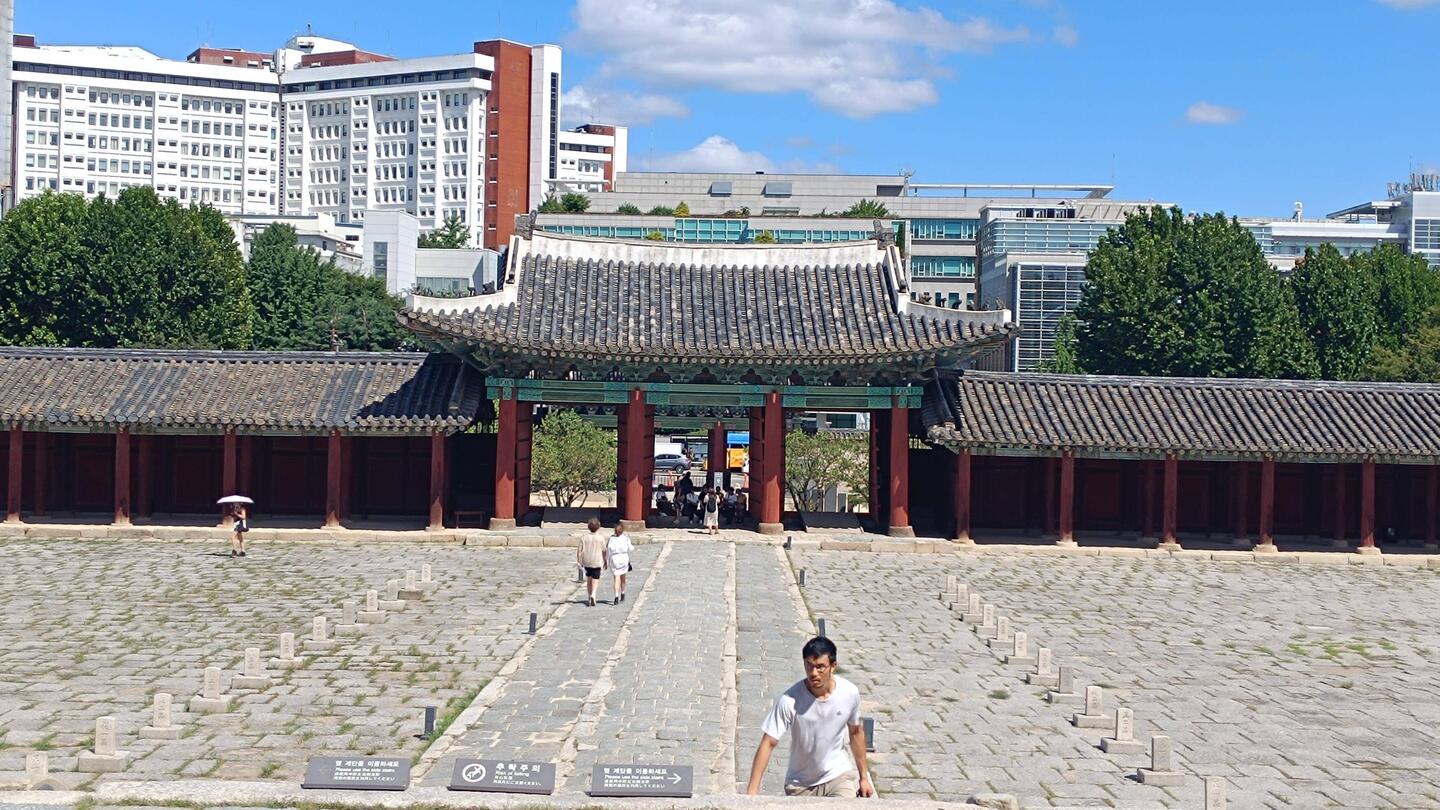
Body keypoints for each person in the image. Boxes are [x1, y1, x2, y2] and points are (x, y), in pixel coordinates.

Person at [745, 636, 873, 798]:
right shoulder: (790, 700)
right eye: (809, 665)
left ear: (833, 666)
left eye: (820, 667)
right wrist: (752, 792)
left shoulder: (849, 693)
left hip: (837, 776)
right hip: (801, 784)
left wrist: (864, 778)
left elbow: (855, 732)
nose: (813, 673)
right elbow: (768, 742)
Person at [578, 517, 607, 607]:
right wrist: (605, 560)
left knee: (589, 579)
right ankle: (593, 594)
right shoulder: (601, 538)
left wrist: (579, 561)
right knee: (595, 580)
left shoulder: (584, 538)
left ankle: (589, 596)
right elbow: (604, 550)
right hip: (597, 561)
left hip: (586, 561)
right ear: (598, 527)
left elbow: (579, 551)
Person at [605, 523, 633, 605]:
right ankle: (623, 592)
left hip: (614, 559)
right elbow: (631, 548)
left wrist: (606, 560)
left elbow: (607, 549)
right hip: (624, 558)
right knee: (623, 577)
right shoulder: (626, 538)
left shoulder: (611, 539)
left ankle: (616, 596)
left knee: (616, 577)